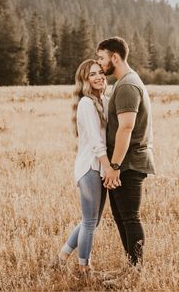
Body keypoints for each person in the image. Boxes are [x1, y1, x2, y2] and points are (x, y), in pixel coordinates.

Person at [50, 59, 120, 277]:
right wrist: (109, 167)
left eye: (100, 72)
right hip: (90, 168)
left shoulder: (103, 100)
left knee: (92, 221)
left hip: (98, 168)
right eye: (92, 74)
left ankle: (60, 259)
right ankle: (84, 267)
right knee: (90, 221)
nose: (99, 76)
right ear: (84, 80)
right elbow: (96, 142)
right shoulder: (86, 104)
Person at [96, 36, 156, 270]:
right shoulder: (124, 83)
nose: (99, 64)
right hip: (125, 163)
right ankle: (131, 268)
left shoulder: (128, 85)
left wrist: (115, 166)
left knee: (130, 218)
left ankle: (135, 271)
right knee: (122, 218)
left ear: (115, 57)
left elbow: (127, 127)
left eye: (101, 58)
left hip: (128, 164)